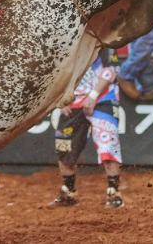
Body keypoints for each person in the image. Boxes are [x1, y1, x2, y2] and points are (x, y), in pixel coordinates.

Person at [49, 49, 124, 209]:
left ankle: (114, 194)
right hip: (71, 99)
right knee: (64, 147)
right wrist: (61, 97)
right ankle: (69, 194)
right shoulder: (65, 39)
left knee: (108, 145)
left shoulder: (105, 37)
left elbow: (113, 68)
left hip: (104, 97)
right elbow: (56, 70)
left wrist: (93, 95)